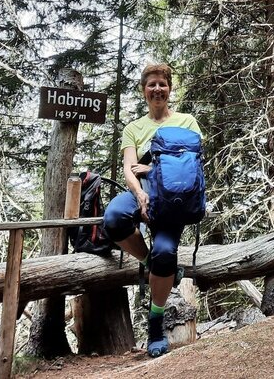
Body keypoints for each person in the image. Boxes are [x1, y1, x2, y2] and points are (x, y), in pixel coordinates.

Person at [103, 63, 201, 357]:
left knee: (165, 253)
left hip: (174, 197)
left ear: (170, 89)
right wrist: (140, 193)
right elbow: (128, 168)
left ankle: (155, 325)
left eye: (162, 84)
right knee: (114, 218)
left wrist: (154, 168)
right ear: (144, 90)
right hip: (142, 190)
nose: (157, 89)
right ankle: (149, 263)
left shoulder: (187, 122)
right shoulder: (134, 128)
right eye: (152, 85)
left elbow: (193, 168)